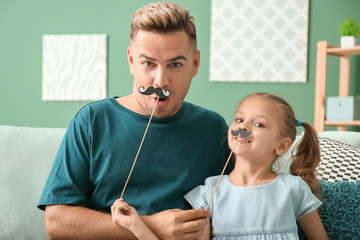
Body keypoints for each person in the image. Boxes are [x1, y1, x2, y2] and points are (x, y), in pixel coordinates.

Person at [37, 2, 230, 239]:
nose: (160, 81)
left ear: (195, 64)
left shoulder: (214, 128)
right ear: (131, 60)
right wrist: (149, 226)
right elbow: (57, 223)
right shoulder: (91, 121)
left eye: (175, 64)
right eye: (148, 63)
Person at [185, 93, 328, 240]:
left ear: (281, 145)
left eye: (259, 124)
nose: (242, 127)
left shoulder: (293, 188)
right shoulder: (209, 192)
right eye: (239, 119)